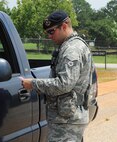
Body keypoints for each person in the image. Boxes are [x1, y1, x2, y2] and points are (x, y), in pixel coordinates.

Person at [20, 10, 93, 142]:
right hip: (69, 118)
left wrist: (33, 84)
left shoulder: (72, 49)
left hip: (67, 121)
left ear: (64, 26)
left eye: (51, 31)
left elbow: (64, 84)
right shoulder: (71, 46)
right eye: (47, 32)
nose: (49, 36)